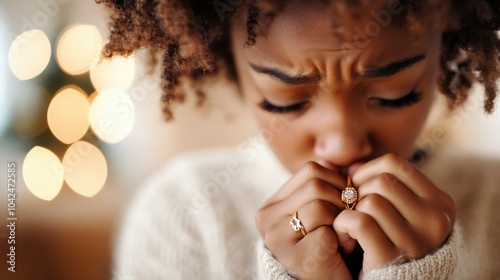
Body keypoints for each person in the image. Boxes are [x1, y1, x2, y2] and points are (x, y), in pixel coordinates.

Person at [97, 0, 500, 279]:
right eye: (286, 102)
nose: (343, 144)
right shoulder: (187, 214)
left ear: (444, 56)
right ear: (235, 71)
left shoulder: (493, 203)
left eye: (393, 94)